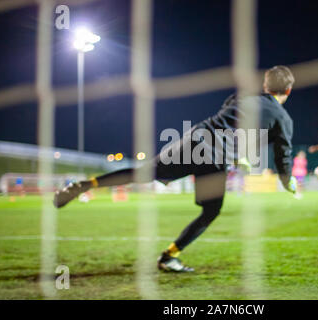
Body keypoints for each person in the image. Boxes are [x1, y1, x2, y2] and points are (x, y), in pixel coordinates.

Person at [53, 65, 298, 272]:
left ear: (265, 86)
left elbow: (228, 119)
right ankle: (170, 256)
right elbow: (282, 154)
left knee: (142, 172)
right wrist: (288, 182)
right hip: (214, 158)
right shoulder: (283, 119)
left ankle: (85, 185)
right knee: (211, 212)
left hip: (194, 139)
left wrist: (236, 155)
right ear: (288, 90)